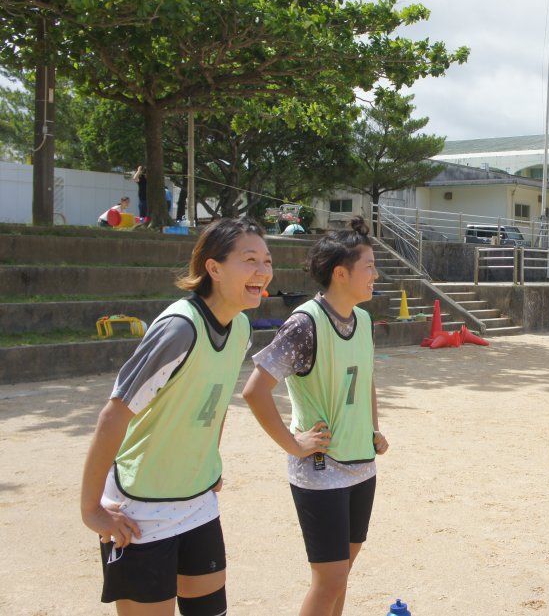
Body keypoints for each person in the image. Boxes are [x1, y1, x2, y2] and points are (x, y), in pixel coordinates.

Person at [80, 217, 273, 615]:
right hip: (141, 506)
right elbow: (113, 415)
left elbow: (215, 402)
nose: (263, 271)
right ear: (213, 267)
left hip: (198, 500)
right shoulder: (179, 328)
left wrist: (209, 460)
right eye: (250, 260)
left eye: (267, 261)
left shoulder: (240, 327)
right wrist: (92, 510)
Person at [242, 216, 388, 616]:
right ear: (341, 273)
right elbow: (255, 391)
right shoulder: (305, 323)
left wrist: (374, 429)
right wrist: (293, 445)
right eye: (369, 267)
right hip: (321, 470)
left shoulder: (363, 320)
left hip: (362, 464)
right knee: (330, 580)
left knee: (342, 574)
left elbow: (365, 376)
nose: (376, 275)